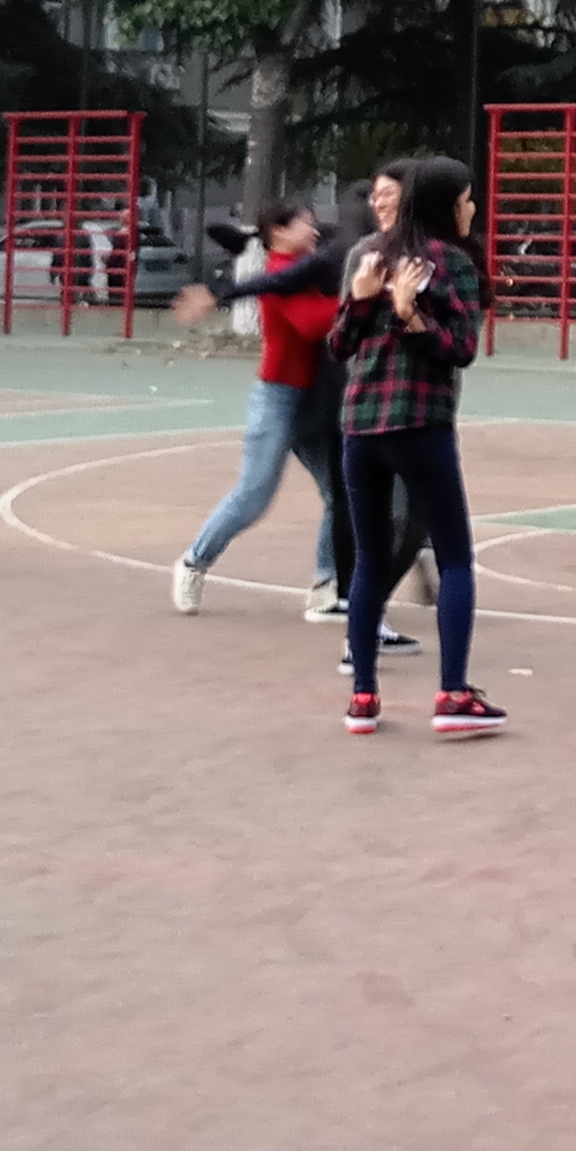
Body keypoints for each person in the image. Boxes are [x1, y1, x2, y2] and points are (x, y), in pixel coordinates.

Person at [323, 155, 490, 738]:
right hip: (419, 424)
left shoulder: (372, 255)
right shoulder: (452, 262)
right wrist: (401, 314)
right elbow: (460, 348)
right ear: (447, 204)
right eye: (466, 201)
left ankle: (363, 698)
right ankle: (453, 694)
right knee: (455, 556)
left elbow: (340, 345)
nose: (472, 209)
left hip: (361, 426)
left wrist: (372, 304)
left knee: (371, 558)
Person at [166, 200, 344, 615]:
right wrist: (361, 299)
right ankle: (194, 561)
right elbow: (311, 324)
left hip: (314, 399)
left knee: (340, 493)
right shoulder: (281, 273)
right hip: (279, 396)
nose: (314, 230)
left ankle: (327, 584)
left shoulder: (309, 268)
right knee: (254, 493)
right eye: (304, 223)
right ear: (278, 232)